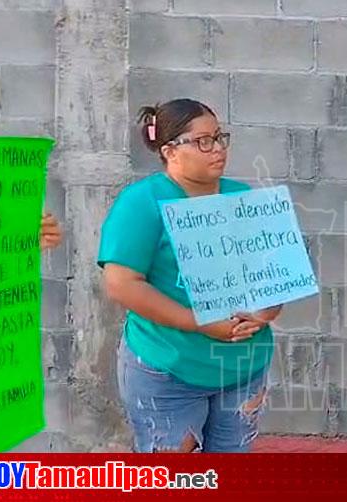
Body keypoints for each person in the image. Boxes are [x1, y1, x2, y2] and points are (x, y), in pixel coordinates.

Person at [98, 98, 282, 453]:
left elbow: (275, 275)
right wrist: (199, 321)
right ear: (170, 151)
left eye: (220, 137)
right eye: (203, 141)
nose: (217, 149)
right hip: (169, 369)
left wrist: (263, 313)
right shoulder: (141, 203)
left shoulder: (244, 198)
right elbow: (122, 284)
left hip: (243, 368)